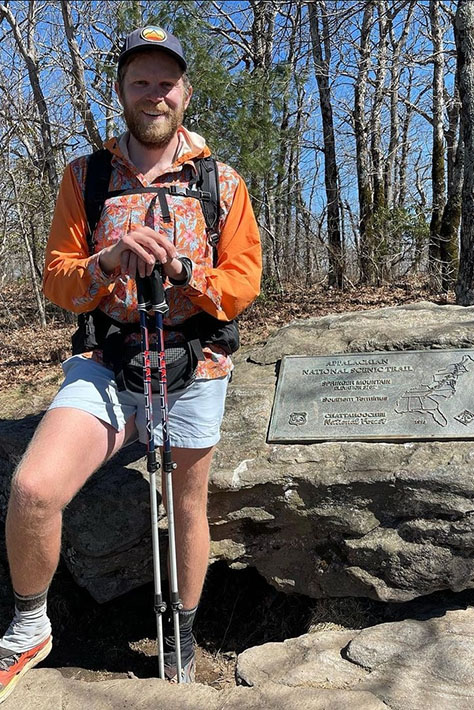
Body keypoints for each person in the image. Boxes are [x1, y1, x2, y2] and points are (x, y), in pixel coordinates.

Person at [0, 25, 261, 703]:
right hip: (107, 360)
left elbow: (243, 282)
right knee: (34, 489)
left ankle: (182, 634)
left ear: (186, 92)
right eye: (140, 81)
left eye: (166, 81)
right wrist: (105, 263)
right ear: (121, 91)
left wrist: (181, 271)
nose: (155, 94)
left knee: (187, 503)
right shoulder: (84, 177)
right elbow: (59, 279)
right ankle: (30, 625)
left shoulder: (221, 182)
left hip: (195, 361)